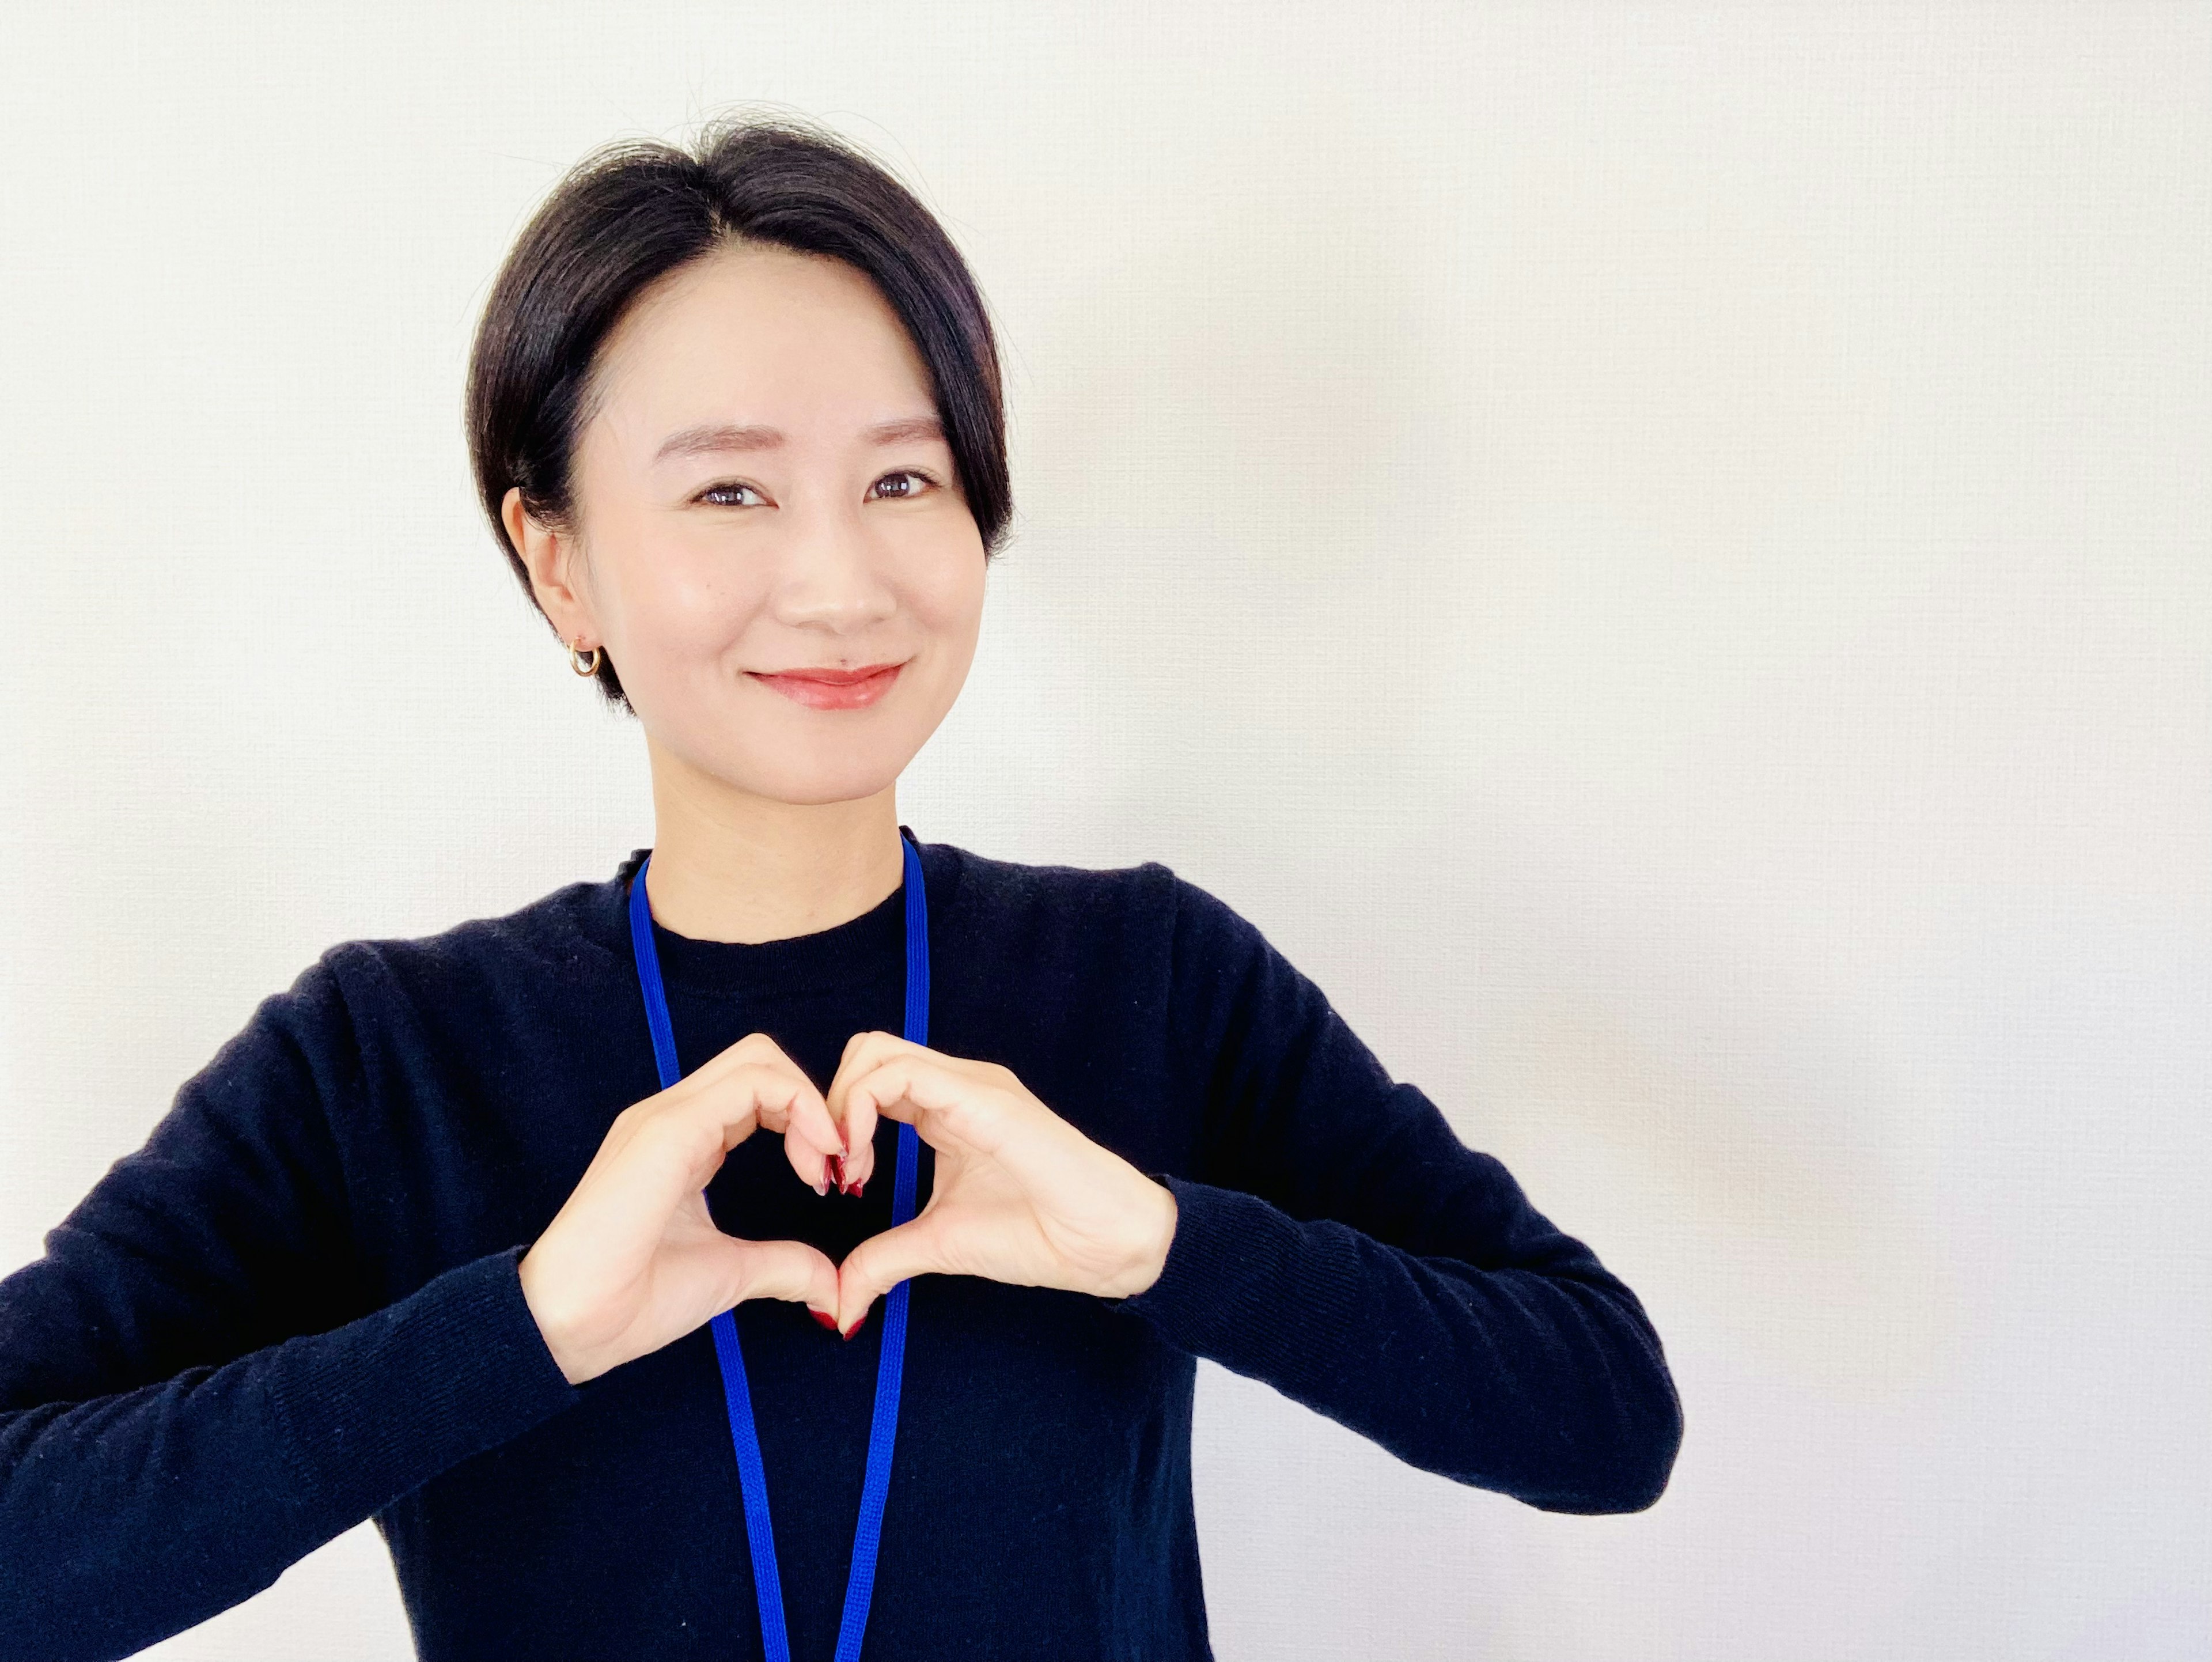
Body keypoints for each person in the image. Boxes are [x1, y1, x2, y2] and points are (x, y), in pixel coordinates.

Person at [0, 111, 1681, 1662]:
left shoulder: (1147, 976)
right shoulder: (386, 1062)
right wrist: (513, 1330)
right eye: (731, 491)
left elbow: (1605, 1416)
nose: (838, 578)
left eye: (903, 479)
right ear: (559, 560)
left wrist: (1170, 1245)